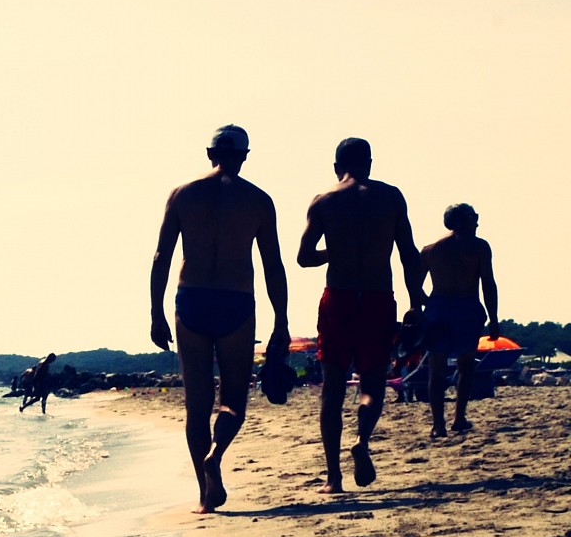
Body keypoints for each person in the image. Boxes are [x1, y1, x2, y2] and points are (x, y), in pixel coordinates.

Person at [149, 124, 291, 512]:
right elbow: (272, 264)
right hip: (237, 301)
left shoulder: (183, 195)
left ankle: (203, 494)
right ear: (244, 155)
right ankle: (217, 454)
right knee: (233, 401)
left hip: (191, 299)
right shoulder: (258, 201)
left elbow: (162, 256)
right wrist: (281, 319)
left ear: (209, 152)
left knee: (197, 405)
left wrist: (156, 313)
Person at [299, 136, 422, 491]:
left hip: (338, 298)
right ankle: (362, 441)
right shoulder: (390, 197)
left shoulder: (324, 200)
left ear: (337, 167)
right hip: (378, 297)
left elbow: (304, 257)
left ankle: (333, 478)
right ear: (370, 163)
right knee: (372, 384)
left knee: (333, 389)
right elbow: (408, 254)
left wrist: (333, 251)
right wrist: (416, 300)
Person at [418, 203, 499, 437]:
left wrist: (426, 304)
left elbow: (415, 284)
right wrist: (493, 319)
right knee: (464, 366)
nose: (477, 222)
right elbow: (488, 284)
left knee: (439, 368)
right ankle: (457, 417)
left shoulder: (431, 249)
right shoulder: (479, 247)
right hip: (465, 307)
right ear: (460, 221)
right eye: (473, 217)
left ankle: (440, 424)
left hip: (441, 308)